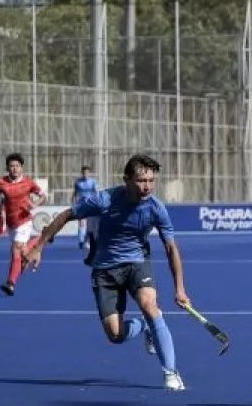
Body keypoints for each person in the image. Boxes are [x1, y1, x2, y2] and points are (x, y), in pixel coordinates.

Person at [24, 154, 189, 392]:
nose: (148, 187)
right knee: (115, 334)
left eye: (152, 181)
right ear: (127, 180)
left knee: (149, 304)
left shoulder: (156, 208)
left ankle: (171, 373)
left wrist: (179, 288)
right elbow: (67, 215)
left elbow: (171, 247)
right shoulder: (104, 199)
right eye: (142, 180)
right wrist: (39, 246)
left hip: (136, 263)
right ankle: (145, 326)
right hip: (105, 271)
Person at [0, 153, 46, 296]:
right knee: (23, 255)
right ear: (7, 167)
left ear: (21, 168)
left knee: (16, 249)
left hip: (25, 221)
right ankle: (39, 242)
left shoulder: (28, 183)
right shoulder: (0, 182)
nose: (14, 169)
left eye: (17, 166)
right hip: (11, 223)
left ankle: (11, 283)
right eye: (11, 166)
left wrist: (34, 204)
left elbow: (44, 196)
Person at [72, 166, 98, 252]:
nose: (85, 174)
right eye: (84, 173)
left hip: (91, 205)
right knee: (82, 223)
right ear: (82, 173)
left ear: (89, 173)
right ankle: (81, 240)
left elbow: (96, 193)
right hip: (81, 204)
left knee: (90, 224)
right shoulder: (78, 182)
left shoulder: (93, 182)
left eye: (87, 173)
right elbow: (75, 194)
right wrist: (74, 204)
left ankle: (87, 240)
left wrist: (97, 203)